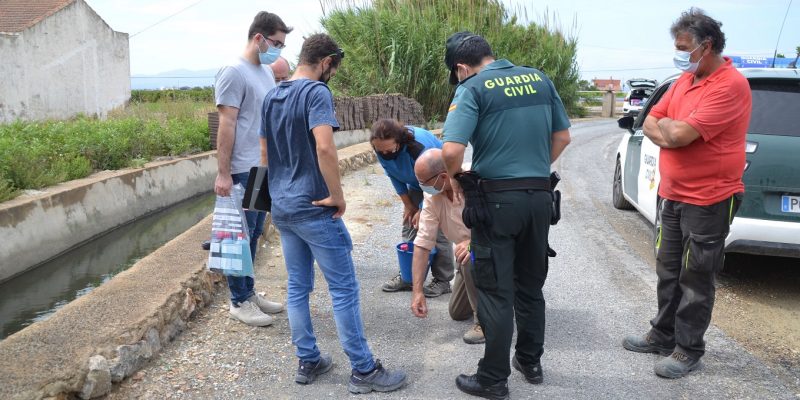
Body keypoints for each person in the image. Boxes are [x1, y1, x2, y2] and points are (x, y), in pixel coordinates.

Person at [259, 33, 407, 394]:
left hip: (283, 207)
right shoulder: (316, 93)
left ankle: (308, 359)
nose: (333, 75)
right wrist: (337, 197)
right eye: (334, 69)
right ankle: (364, 369)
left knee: (298, 286)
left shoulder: (271, 96)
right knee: (343, 289)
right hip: (314, 206)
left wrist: (271, 198)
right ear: (326, 62)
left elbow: (263, 152)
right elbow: (325, 147)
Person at [440, 32, 572, 399]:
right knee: (530, 286)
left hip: (497, 203)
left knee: (496, 291)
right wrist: (533, 169)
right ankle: (530, 362)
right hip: (540, 198)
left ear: (461, 67)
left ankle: (492, 379)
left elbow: (451, 150)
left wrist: (456, 180)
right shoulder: (539, 79)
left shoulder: (472, 87)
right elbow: (563, 137)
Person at [622, 8, 750, 379]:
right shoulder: (684, 81)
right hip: (672, 193)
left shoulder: (730, 85)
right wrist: (669, 130)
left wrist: (670, 131)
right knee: (668, 270)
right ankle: (663, 335)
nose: (678, 54)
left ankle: (688, 349)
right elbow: (651, 120)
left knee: (696, 277)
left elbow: (678, 135)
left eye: (683, 47)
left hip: (709, 198)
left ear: (706, 46)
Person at [213, 11, 289, 327]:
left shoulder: (265, 73)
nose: (279, 50)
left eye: (282, 45)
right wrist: (223, 173)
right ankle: (238, 301)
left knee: (254, 234)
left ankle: (249, 292)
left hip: (260, 169)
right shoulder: (234, 72)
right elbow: (227, 124)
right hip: (240, 171)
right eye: (276, 43)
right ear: (259, 38)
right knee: (236, 238)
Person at [370, 118, 455, 297]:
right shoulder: (381, 148)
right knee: (410, 224)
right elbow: (393, 174)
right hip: (416, 185)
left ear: (400, 141)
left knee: (437, 230)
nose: (384, 153)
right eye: (380, 150)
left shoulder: (418, 146)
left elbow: (435, 178)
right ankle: (408, 276)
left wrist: (424, 209)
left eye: (389, 150)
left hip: (437, 183)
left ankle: (443, 280)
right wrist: (409, 205)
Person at [409, 149, 484, 344]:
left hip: (494, 248)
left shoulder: (477, 178)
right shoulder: (432, 197)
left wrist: (474, 242)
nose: (422, 186)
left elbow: (502, 220)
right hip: (469, 257)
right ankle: (494, 298)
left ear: (443, 176)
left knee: (468, 256)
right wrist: (417, 291)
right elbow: (423, 243)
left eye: (424, 182)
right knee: (457, 312)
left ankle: (485, 322)